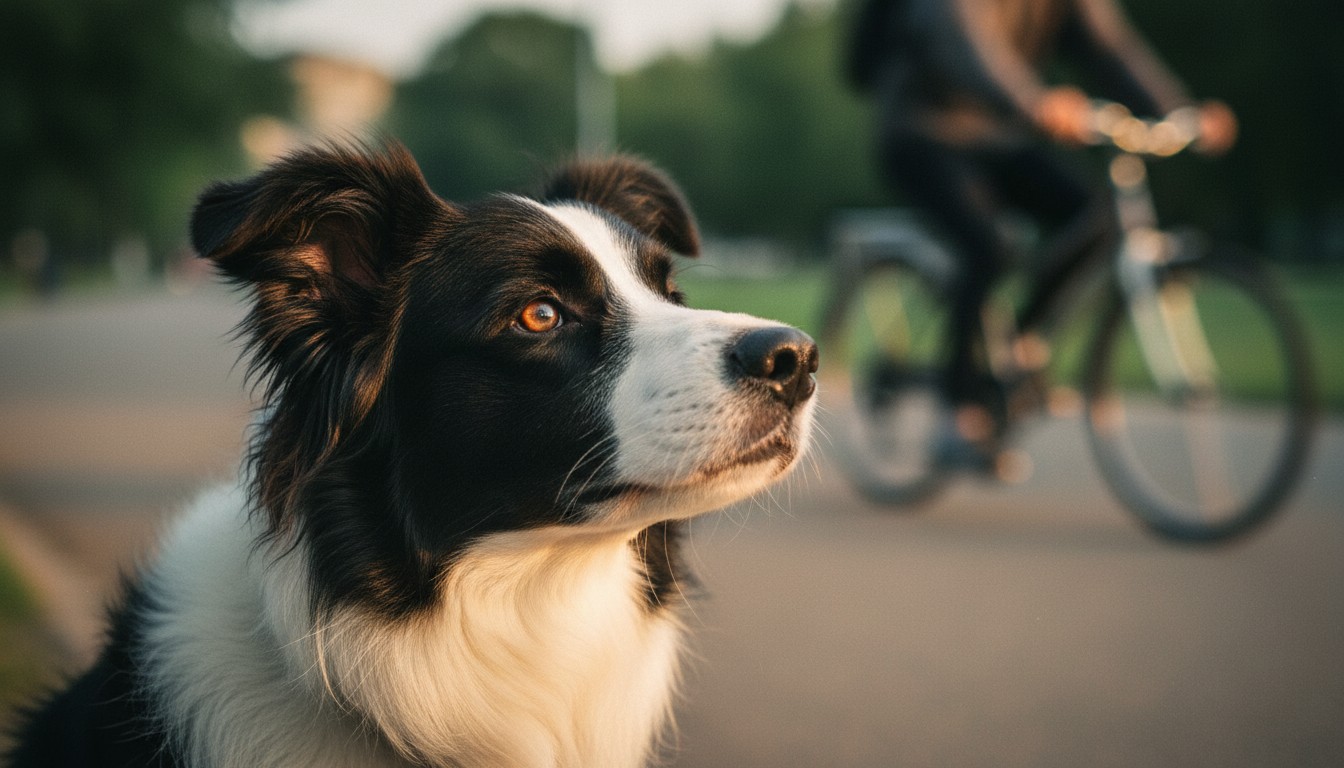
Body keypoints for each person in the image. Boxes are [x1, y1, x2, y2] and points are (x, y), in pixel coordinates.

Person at [847, 0, 1238, 471]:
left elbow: (1113, 50)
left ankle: (1020, 345)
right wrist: (1033, 102)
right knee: (988, 246)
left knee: (1098, 216)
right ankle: (959, 410)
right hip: (922, 133)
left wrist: (1180, 111)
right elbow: (959, 42)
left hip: (1000, 135)